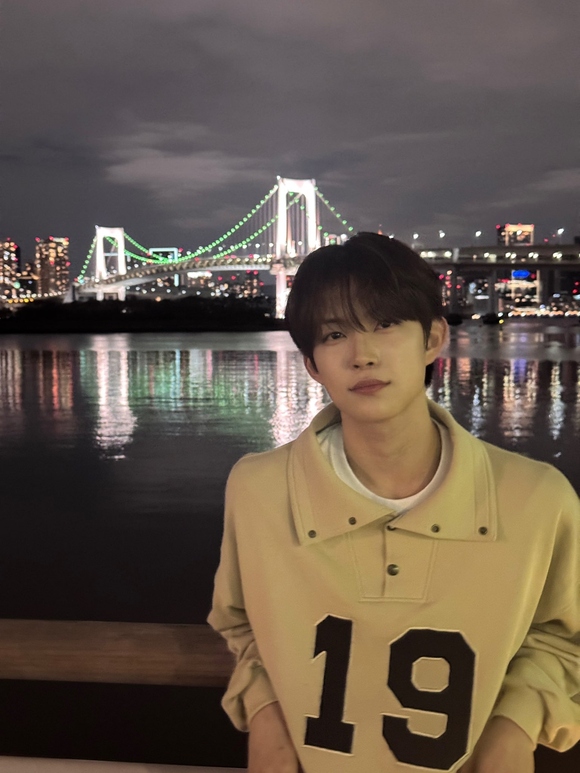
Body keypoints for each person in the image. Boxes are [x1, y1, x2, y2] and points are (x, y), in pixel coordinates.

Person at [207, 232, 580, 772]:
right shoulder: (258, 490)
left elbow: (563, 640)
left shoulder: (537, 499)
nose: (362, 355)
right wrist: (265, 714)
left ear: (433, 338)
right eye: (335, 334)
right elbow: (240, 626)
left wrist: (514, 729)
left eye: (384, 324)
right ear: (312, 364)